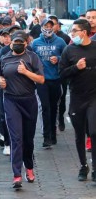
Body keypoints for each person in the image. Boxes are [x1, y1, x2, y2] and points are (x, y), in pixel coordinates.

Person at [0, 30, 45, 189]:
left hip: (28, 100)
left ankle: (29, 167)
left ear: (26, 43)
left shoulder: (32, 57)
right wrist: (1, 81)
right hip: (11, 101)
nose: (17, 44)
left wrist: (25, 72)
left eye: (20, 42)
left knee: (28, 139)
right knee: (16, 138)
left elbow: (41, 79)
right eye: (14, 42)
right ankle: (17, 175)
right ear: (10, 43)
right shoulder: (4, 57)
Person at [59, 19, 96, 182]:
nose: (72, 34)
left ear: (84, 32)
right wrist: (76, 68)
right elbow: (61, 73)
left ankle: (95, 167)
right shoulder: (69, 50)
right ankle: (83, 166)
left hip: (94, 97)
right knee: (79, 134)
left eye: (75, 31)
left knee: (94, 132)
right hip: (76, 97)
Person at [31, 18, 66, 147]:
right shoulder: (35, 43)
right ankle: (46, 137)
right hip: (41, 80)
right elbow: (30, 58)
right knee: (45, 107)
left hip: (56, 79)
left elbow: (68, 57)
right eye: (46, 25)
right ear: (41, 27)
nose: (48, 28)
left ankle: (53, 134)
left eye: (51, 26)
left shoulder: (60, 41)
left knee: (53, 107)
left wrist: (58, 58)